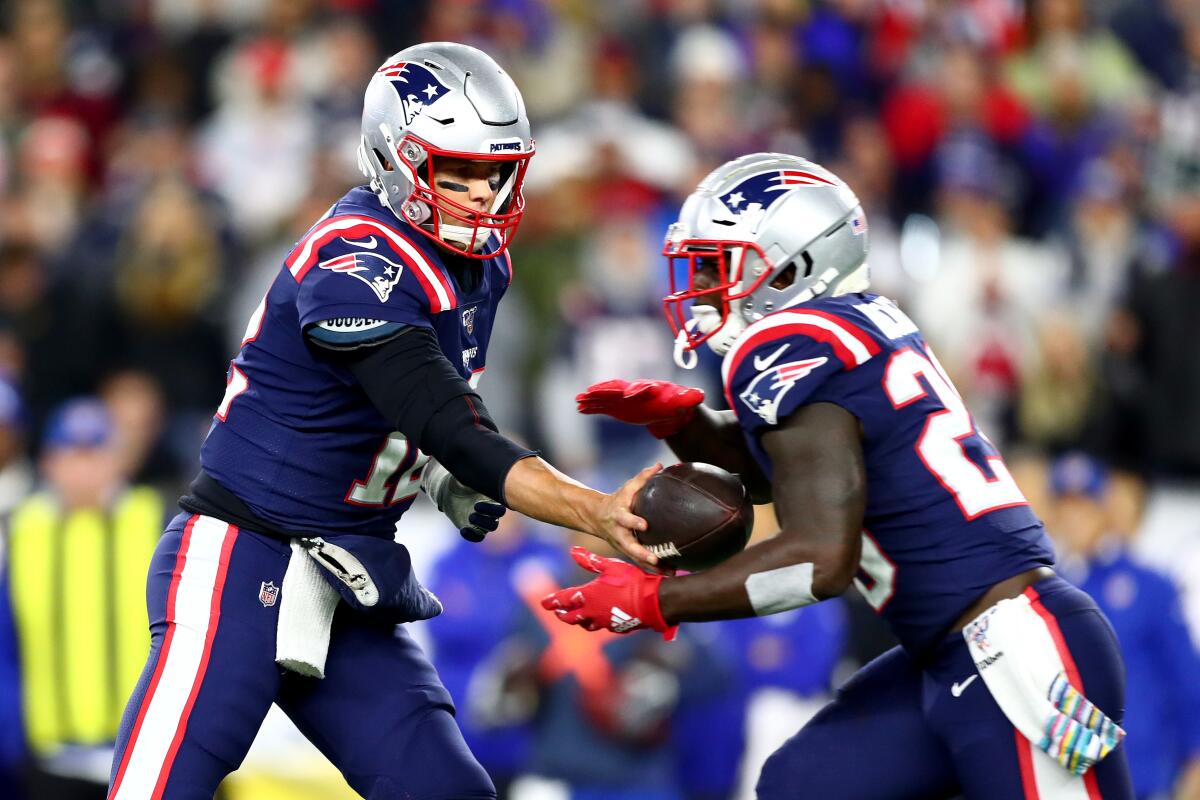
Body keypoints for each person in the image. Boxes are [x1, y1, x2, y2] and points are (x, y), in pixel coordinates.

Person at [108, 42, 658, 800]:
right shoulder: (358, 255)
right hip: (240, 557)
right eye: (456, 171)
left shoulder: (481, 266)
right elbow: (441, 414)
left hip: (346, 577)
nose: (483, 196)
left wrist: (432, 469)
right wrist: (593, 510)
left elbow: (403, 409)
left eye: (495, 172)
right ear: (394, 160)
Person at [545, 153, 1135, 799]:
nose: (701, 283)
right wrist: (688, 426)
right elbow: (795, 476)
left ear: (792, 266)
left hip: (1014, 652)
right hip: (950, 652)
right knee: (803, 783)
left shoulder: (788, 342)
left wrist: (654, 600)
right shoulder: (854, 325)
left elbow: (821, 560)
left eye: (718, 264)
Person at [1, 398, 163, 800]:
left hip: (143, 753)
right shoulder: (23, 530)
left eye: (95, 454)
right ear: (48, 463)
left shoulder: (158, 522)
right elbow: (6, 648)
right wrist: (12, 744)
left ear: (118, 460)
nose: (83, 470)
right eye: (71, 455)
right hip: (50, 758)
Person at [1047, 453, 1200, 800]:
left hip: (1144, 773)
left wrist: (1196, 757)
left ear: (1104, 509)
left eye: (1084, 506)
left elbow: (1187, 677)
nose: (1075, 519)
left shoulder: (1150, 586)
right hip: (1071, 775)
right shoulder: (1048, 590)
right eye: (1066, 507)